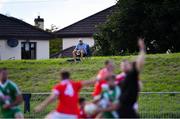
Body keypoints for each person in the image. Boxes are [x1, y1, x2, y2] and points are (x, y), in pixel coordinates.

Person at [118, 38, 146, 118]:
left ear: (130, 66)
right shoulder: (120, 78)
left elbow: (139, 63)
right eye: (122, 65)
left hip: (129, 111)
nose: (124, 66)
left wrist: (142, 49)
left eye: (126, 64)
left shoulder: (132, 75)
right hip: (121, 111)